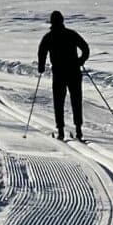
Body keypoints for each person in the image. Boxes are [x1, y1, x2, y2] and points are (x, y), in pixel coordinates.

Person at [37, 9, 90, 141]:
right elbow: (85, 48)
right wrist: (80, 60)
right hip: (74, 71)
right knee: (76, 100)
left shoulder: (48, 37)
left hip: (59, 73)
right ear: (62, 21)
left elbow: (41, 52)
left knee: (58, 101)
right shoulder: (71, 34)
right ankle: (78, 129)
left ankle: (60, 130)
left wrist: (41, 67)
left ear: (51, 22)